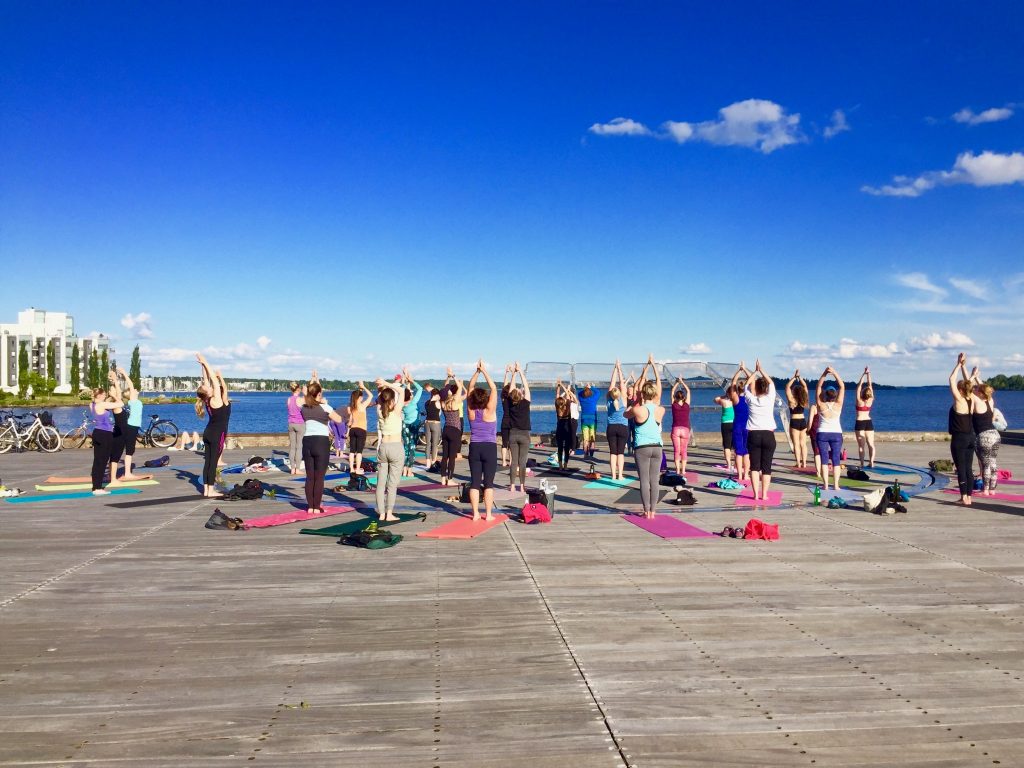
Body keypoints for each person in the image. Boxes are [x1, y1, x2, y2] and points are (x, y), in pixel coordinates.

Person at [626, 354, 663, 519]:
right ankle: (653, 512)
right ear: (654, 394)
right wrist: (653, 366)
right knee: (654, 481)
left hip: (642, 447)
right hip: (657, 447)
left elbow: (626, 414)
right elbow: (659, 386)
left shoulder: (637, 409)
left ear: (642, 394)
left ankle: (646, 511)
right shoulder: (660, 409)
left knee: (644, 481)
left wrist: (645, 370)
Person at [300, 381, 345, 514]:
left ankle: (310, 506)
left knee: (310, 476)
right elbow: (339, 420)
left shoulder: (304, 408)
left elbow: (307, 402)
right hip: (321, 442)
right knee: (319, 477)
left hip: (307, 441)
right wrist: (325, 404)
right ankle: (316, 507)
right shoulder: (326, 407)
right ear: (319, 394)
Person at [466, 359, 499, 521]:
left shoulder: (471, 410)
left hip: (475, 447)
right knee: (489, 483)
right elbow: (493, 387)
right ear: (485, 399)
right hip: (490, 448)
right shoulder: (490, 410)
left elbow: (469, 388)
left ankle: (476, 514)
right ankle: (489, 514)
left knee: (474, 482)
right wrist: (484, 370)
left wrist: (476, 372)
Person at [196, 353, 230, 498]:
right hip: (217, 435)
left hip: (208, 433)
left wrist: (203, 365)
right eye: (206, 386)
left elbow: (207, 380)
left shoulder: (207, 401)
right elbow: (215, 383)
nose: (208, 385)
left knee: (207, 463)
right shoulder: (215, 399)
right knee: (213, 463)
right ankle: (210, 491)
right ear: (207, 392)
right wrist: (206, 362)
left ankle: (206, 490)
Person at [374, 376, 407, 521]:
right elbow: (402, 391)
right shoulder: (397, 410)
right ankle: (389, 513)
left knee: (380, 484)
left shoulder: (379, 411)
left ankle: (381, 514)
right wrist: (387, 383)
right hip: (396, 447)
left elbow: (380, 398)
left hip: (383, 447)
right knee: (392, 485)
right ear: (393, 400)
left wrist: (380, 386)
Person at [744, 359, 777, 501]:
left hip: (754, 435)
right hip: (769, 435)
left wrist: (754, 372)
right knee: (767, 466)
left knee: (754, 466)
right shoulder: (770, 398)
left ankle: (756, 495)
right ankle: (764, 495)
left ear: (756, 389)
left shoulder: (751, 398)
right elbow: (771, 383)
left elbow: (746, 385)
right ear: (766, 389)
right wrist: (761, 369)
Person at [810, 366, 844, 492]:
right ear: (835, 396)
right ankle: (835, 485)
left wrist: (824, 373)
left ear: (825, 395)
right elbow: (842, 386)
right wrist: (834, 372)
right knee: (836, 460)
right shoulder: (838, 404)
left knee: (824, 459)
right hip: (836, 434)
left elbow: (818, 387)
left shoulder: (820, 404)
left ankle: (825, 485)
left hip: (822, 434)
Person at [947, 353, 975, 505]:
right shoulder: (971, 399)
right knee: (969, 468)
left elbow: (951, 379)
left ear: (961, 391)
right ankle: (969, 496)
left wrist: (958, 364)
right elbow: (969, 383)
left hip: (959, 438)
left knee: (961, 468)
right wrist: (964, 366)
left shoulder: (959, 400)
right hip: (971, 437)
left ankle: (964, 497)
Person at [969, 366, 1000, 497]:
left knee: (985, 463)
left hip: (984, 435)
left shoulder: (976, 401)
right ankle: (992, 489)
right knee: (993, 462)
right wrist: (977, 377)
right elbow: (984, 387)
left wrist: (971, 377)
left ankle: (985, 490)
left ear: (980, 393)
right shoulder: (990, 400)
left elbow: (968, 389)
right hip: (995, 435)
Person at [88, 382, 122, 495]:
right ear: (100, 395)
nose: (105, 395)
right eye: (104, 394)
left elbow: (105, 403)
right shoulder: (102, 405)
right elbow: (120, 404)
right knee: (102, 461)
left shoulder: (92, 404)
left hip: (97, 432)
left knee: (97, 461)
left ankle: (95, 487)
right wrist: (114, 396)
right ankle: (98, 488)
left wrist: (110, 394)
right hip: (104, 434)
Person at [505, 362, 532, 492]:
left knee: (513, 461)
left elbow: (511, 389)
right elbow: (526, 386)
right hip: (524, 434)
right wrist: (520, 371)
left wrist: (513, 374)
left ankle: (511, 486)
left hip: (513, 434)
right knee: (522, 461)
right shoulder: (525, 403)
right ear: (520, 395)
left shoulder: (511, 403)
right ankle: (521, 486)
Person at [117, 366, 146, 480]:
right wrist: (124, 373)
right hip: (131, 427)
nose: (135, 389)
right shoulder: (133, 400)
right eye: (133, 390)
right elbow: (130, 384)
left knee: (130, 450)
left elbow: (132, 387)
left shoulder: (135, 401)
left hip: (133, 427)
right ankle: (127, 473)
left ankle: (127, 472)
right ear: (130, 394)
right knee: (129, 450)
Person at [439, 368, 465, 486]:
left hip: (446, 429)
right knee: (451, 457)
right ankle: (450, 480)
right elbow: (459, 388)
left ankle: (443, 478)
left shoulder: (443, 403)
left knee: (444, 456)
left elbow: (445, 388)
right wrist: (453, 375)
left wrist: (448, 377)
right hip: (454, 431)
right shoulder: (455, 402)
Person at [605, 361, 630, 482]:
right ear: (619, 393)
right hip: (623, 427)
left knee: (612, 453)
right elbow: (621, 383)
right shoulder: (623, 399)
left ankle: (613, 476)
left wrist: (614, 369)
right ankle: (620, 475)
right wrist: (619, 369)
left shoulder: (609, 399)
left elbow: (612, 383)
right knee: (620, 453)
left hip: (611, 427)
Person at [729, 363, 751, 483]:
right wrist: (746, 370)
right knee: (746, 452)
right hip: (748, 426)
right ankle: (746, 475)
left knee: (739, 452)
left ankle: (740, 475)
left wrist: (739, 371)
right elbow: (752, 382)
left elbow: (733, 383)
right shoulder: (749, 398)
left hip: (737, 425)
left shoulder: (735, 398)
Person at [400, 368, 423, 477]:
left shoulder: (402, 404)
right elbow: (420, 389)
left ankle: (404, 469)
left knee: (406, 448)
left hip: (405, 426)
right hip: (413, 426)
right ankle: (409, 470)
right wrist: (412, 380)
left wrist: (404, 378)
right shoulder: (413, 403)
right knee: (412, 448)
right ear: (410, 396)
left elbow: (402, 389)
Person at [785, 370, 809, 469]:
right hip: (802, 421)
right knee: (803, 444)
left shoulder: (792, 400)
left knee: (796, 444)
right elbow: (805, 387)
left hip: (794, 421)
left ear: (794, 392)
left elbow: (787, 387)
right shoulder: (804, 400)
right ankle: (804, 463)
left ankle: (798, 463)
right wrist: (800, 378)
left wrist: (794, 377)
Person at [347, 382, 372, 475]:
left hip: (353, 429)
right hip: (361, 430)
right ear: (360, 398)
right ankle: (357, 468)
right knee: (359, 452)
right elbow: (371, 395)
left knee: (352, 450)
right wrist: (363, 387)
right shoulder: (363, 405)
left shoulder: (351, 406)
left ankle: (351, 469)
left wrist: (360, 389)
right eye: (361, 397)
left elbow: (350, 420)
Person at [854, 367, 876, 468]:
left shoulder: (859, 400)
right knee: (871, 444)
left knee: (861, 446)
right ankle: (871, 462)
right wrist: (868, 374)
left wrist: (864, 374)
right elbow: (870, 385)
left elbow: (859, 386)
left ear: (863, 393)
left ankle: (862, 463)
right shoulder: (871, 399)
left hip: (860, 422)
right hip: (868, 421)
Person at [670, 376, 692, 475]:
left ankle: (677, 470)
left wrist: (677, 383)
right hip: (685, 429)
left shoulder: (674, 405)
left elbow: (672, 392)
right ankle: (683, 470)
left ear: (675, 397)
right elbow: (688, 391)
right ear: (684, 397)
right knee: (684, 451)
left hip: (675, 429)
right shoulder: (686, 405)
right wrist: (682, 382)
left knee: (676, 451)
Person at [554, 380, 577, 471]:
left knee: (560, 448)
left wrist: (558, 386)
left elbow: (557, 396)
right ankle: (565, 466)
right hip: (567, 428)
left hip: (559, 428)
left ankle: (560, 466)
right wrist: (565, 387)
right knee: (566, 448)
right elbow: (572, 398)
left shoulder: (557, 408)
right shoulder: (567, 406)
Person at [576, 382, 602, 459]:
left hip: (584, 420)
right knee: (592, 438)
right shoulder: (593, 399)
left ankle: (585, 454)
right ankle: (591, 454)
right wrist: (591, 387)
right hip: (593, 420)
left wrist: (585, 388)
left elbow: (579, 393)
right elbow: (598, 392)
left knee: (585, 439)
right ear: (591, 393)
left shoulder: (581, 399)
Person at [714, 387, 735, 473]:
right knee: (735, 445)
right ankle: (737, 464)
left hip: (725, 424)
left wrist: (725, 395)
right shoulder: (735, 402)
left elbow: (715, 399)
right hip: (734, 423)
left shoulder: (724, 401)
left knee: (727, 446)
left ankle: (729, 464)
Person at [286, 380, 305, 475]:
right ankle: (297, 468)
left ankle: (292, 468)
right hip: (300, 423)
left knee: (292, 447)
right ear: (298, 389)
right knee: (299, 447)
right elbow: (309, 402)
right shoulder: (300, 399)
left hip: (290, 424)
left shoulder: (289, 399)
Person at [422, 384, 443, 468]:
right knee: (435, 444)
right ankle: (433, 462)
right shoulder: (438, 403)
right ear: (437, 395)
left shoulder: (427, 402)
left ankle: (427, 462)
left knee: (428, 444)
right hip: (435, 424)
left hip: (427, 423)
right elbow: (439, 414)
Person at [500, 367, 513, 467]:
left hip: (504, 421)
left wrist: (506, 373)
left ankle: (503, 461)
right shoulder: (512, 399)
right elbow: (509, 387)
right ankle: (511, 461)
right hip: (512, 421)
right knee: (511, 443)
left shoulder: (503, 398)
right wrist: (513, 374)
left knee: (504, 442)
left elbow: (505, 386)